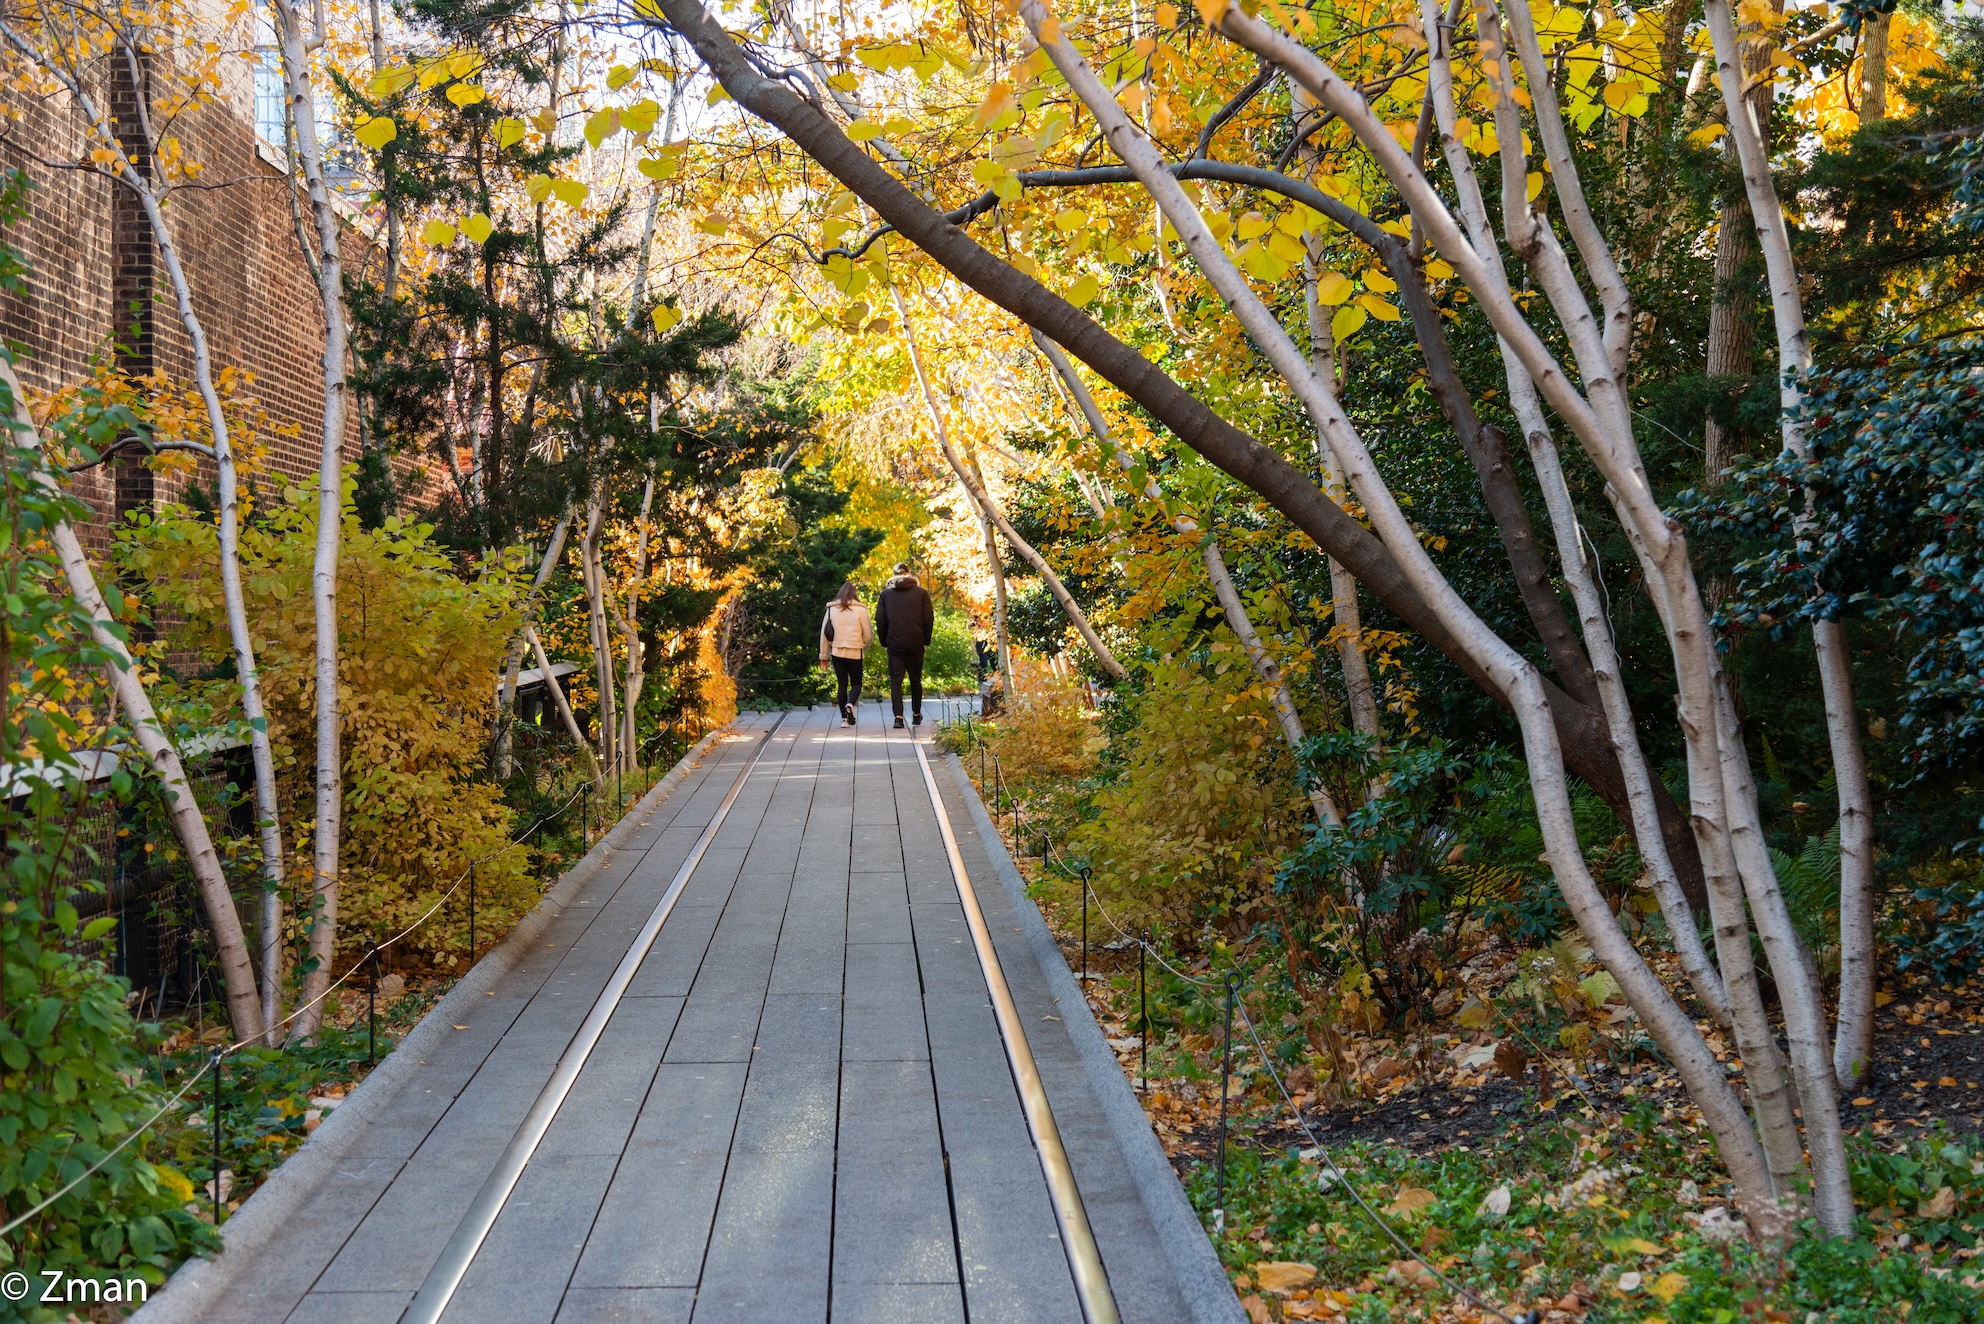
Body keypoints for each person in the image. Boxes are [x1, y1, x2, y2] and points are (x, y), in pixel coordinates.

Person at [874, 561, 934, 729]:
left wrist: (884, 641)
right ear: (909, 574)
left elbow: (880, 620)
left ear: (894, 576)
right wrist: (925, 641)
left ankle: (898, 718)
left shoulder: (885, 595)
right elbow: (928, 618)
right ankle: (916, 714)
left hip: (894, 643)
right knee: (916, 680)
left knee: (896, 681)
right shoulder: (921, 593)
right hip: (916, 643)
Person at [818, 581, 873, 726]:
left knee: (842, 685)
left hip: (837, 652)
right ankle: (850, 704)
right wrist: (864, 646)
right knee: (856, 684)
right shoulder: (861, 610)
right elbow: (868, 634)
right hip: (855, 653)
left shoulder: (831, 610)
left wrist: (824, 656)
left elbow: (824, 635)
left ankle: (844, 719)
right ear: (854, 593)